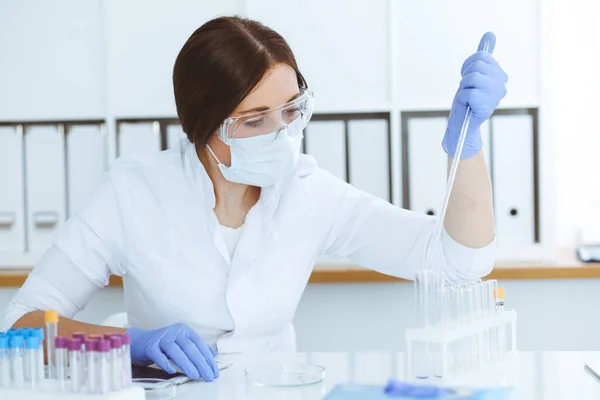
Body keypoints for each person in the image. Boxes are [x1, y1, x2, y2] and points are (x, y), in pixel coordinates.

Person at [4, 16, 507, 382]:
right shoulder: (132, 191)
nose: (281, 134)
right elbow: (19, 322)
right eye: (255, 120)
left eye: (291, 111)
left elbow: (459, 262)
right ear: (202, 126)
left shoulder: (309, 192)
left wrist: (465, 148)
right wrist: (126, 346)